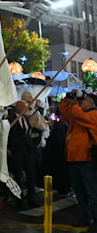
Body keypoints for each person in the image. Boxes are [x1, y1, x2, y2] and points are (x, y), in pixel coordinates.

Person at [58, 90, 97, 229]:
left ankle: (94, 220)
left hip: (87, 160)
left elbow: (78, 115)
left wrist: (74, 103)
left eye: (83, 100)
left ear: (92, 102)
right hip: (74, 159)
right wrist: (68, 97)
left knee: (92, 193)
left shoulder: (93, 115)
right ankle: (85, 217)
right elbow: (63, 109)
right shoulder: (77, 115)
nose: (80, 103)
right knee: (80, 193)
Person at [7, 100, 38, 207]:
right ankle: (19, 199)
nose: (27, 110)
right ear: (19, 108)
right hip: (16, 151)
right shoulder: (10, 119)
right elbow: (5, 134)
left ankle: (32, 199)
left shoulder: (26, 119)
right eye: (25, 107)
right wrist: (7, 148)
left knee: (31, 175)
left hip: (27, 151)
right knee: (18, 176)